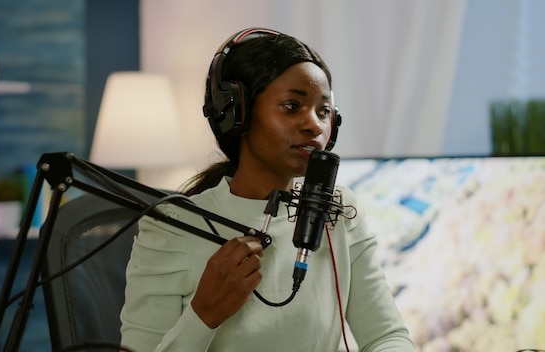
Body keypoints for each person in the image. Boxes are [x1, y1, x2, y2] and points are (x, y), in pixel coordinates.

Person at [120, 27, 415, 352]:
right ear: (237, 114)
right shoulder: (172, 227)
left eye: (324, 111)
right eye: (292, 106)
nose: (315, 125)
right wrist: (203, 314)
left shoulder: (338, 210)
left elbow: (388, 338)